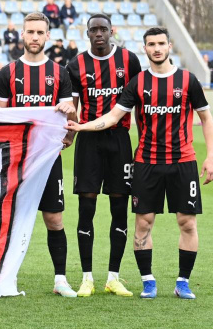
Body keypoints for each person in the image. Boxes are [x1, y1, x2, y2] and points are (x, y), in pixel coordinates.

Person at [68, 26, 213, 299]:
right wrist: (81, 128)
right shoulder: (138, 83)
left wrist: (211, 156)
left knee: (187, 222)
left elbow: (206, 118)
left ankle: (183, 281)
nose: (156, 49)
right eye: (151, 44)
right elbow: (112, 118)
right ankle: (148, 281)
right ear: (144, 49)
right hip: (146, 162)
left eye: (161, 43)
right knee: (143, 223)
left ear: (169, 46)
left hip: (184, 161)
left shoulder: (188, 80)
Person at [0, 12, 77, 297]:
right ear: (22, 34)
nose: (34, 37)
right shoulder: (8, 73)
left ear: (47, 36)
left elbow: (69, 119)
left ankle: (60, 280)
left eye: (39, 33)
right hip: (17, 160)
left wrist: (69, 131)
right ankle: (4, 278)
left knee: (54, 218)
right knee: (10, 217)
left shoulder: (59, 73)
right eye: (30, 32)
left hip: (48, 160)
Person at [63, 14, 142, 297]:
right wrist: (70, 136)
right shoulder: (75, 65)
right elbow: (72, 107)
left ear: (112, 31)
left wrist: (141, 138)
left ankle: (113, 276)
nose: (98, 33)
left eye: (103, 29)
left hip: (120, 140)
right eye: (93, 30)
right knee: (87, 207)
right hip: (89, 142)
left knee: (120, 207)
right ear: (87, 34)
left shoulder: (129, 60)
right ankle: (87, 277)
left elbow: (140, 102)